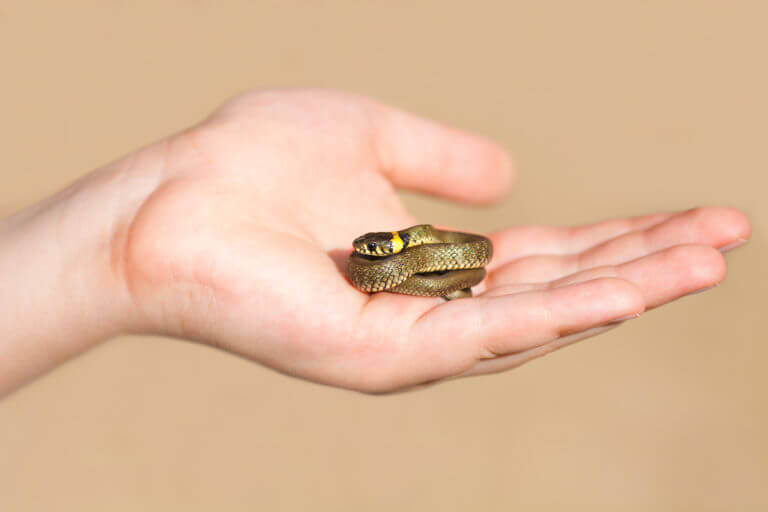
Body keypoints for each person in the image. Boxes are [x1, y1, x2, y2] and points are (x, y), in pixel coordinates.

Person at [0, 89, 750, 396]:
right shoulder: (377, 259)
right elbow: (385, 259)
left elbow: (463, 250)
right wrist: (121, 239)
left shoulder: (430, 252)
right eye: (378, 258)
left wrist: (119, 243)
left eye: (388, 255)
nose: (377, 260)